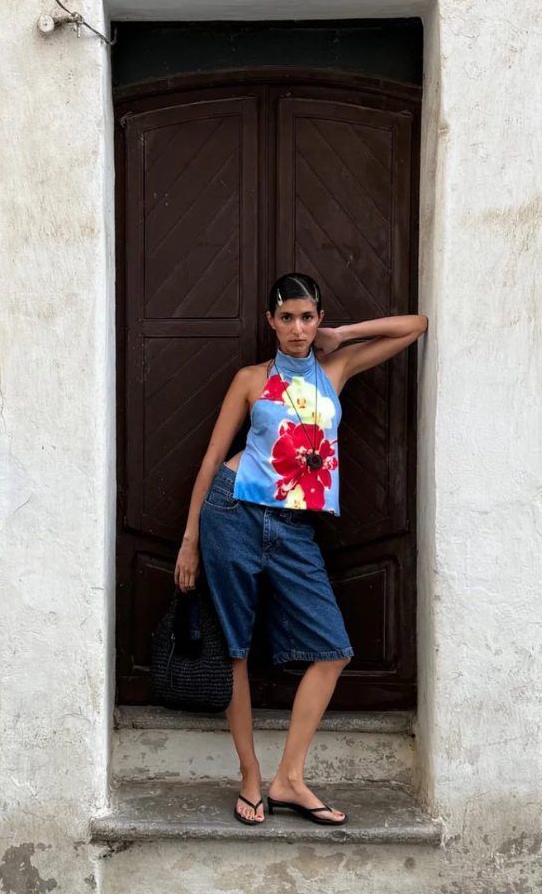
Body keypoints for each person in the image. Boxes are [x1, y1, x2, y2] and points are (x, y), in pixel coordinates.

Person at [173, 272, 427, 826]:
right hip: (232, 513)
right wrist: (190, 540)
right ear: (270, 321)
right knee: (235, 649)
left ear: (318, 319)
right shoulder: (250, 379)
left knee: (333, 648)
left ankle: (289, 778)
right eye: (286, 317)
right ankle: (249, 775)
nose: (297, 327)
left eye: (307, 316)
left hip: (294, 530)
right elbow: (211, 460)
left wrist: (345, 334)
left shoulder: (334, 370)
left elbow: (416, 326)